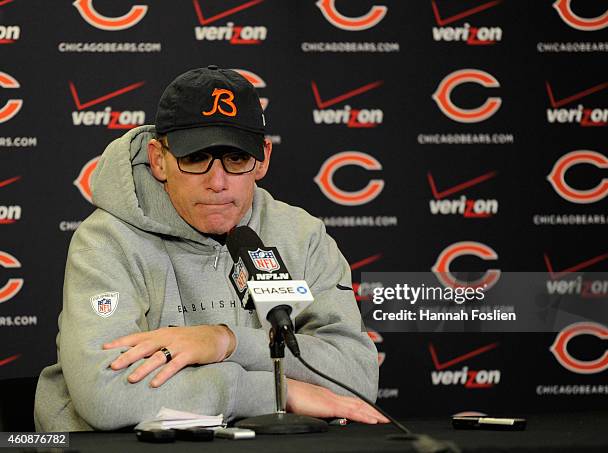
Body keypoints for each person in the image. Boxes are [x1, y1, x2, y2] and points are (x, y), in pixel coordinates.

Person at [34, 66, 384, 431]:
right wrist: (278, 393)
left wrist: (225, 341)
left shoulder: (302, 235)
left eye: (236, 159)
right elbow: (107, 398)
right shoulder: (107, 240)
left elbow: (357, 379)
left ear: (262, 158)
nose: (217, 183)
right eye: (195, 158)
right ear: (158, 159)